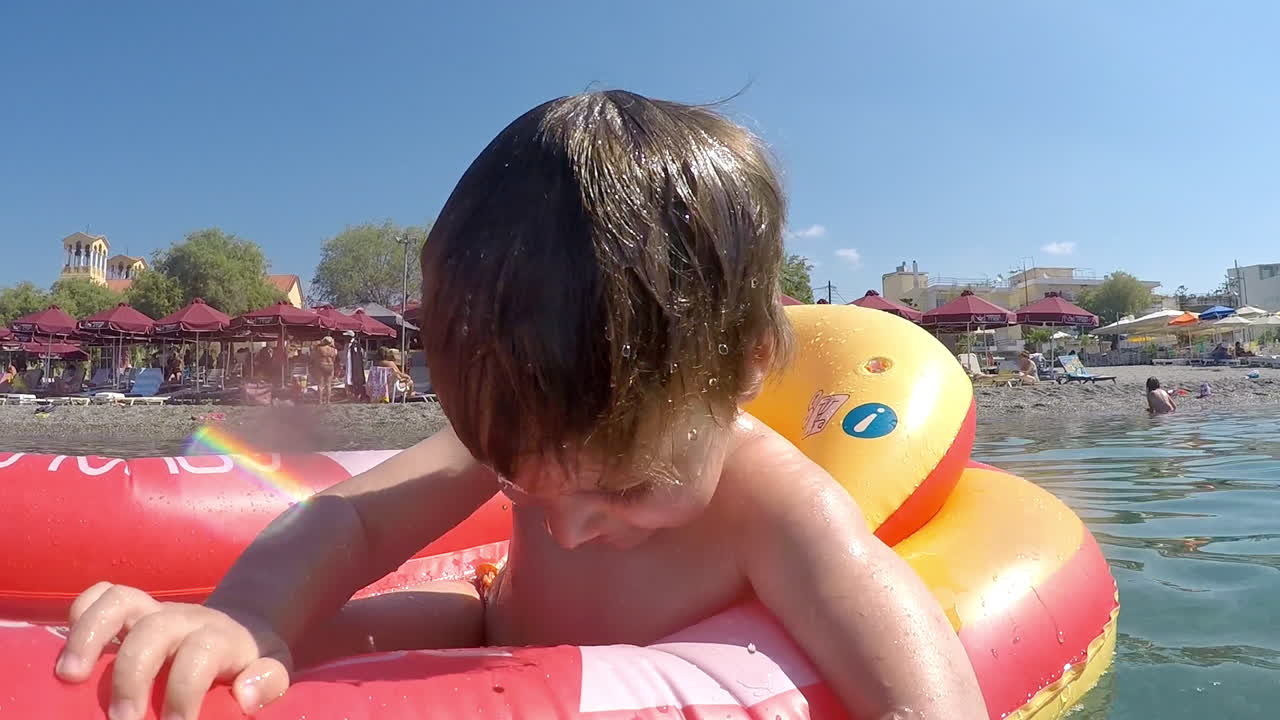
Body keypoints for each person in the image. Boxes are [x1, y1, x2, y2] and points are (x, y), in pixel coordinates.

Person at [54, 91, 986, 720]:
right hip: (491, 636)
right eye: (524, 489)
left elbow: (922, 685)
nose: (568, 528)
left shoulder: (776, 505)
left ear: (746, 365)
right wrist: (246, 617)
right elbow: (349, 522)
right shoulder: (525, 437)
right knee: (272, 666)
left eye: (625, 489)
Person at [311, 336, 338, 404]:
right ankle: (328, 401)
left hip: (321, 365)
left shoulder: (319, 348)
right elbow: (334, 359)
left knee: (320, 385)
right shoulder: (334, 350)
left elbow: (314, 357)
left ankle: (320, 401)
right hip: (330, 366)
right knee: (328, 385)